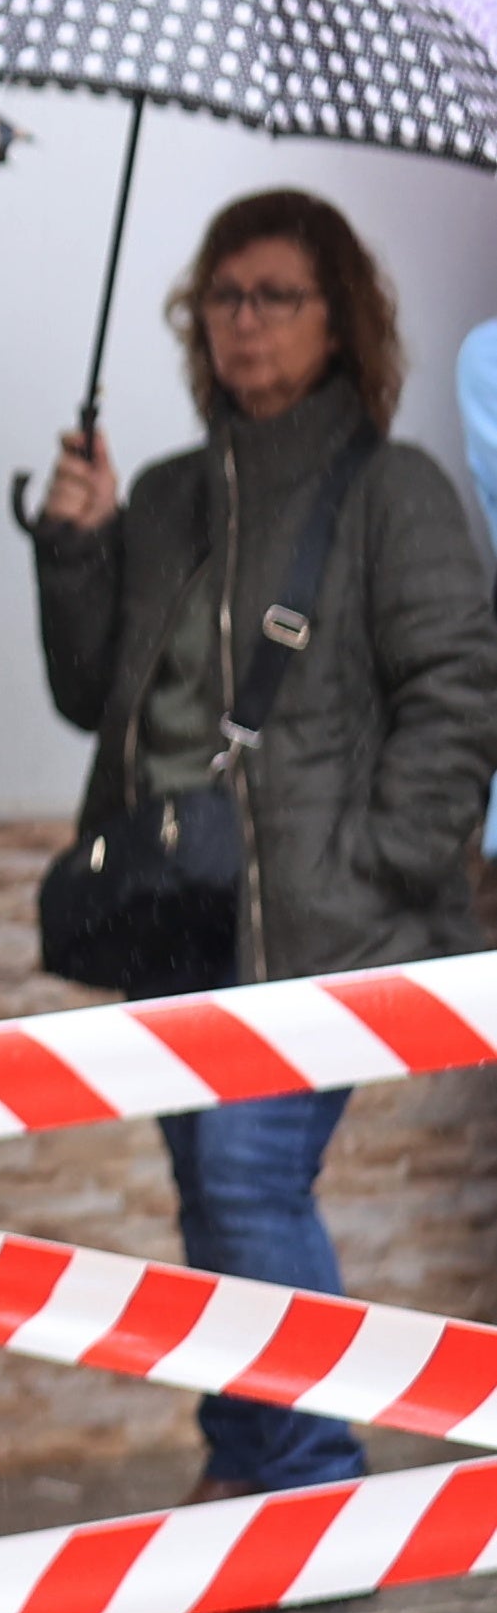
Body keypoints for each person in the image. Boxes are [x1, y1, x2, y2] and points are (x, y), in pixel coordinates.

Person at [40, 189, 497, 1498]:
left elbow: (460, 689)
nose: (243, 325)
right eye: (223, 298)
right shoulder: (176, 496)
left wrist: (381, 862)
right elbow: (93, 690)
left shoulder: (389, 490)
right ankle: (244, 1463)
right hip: (174, 910)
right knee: (206, 1196)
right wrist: (74, 547)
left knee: (246, 1179)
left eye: (274, 297)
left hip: (314, 922)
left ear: (338, 319)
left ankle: (309, 1479)